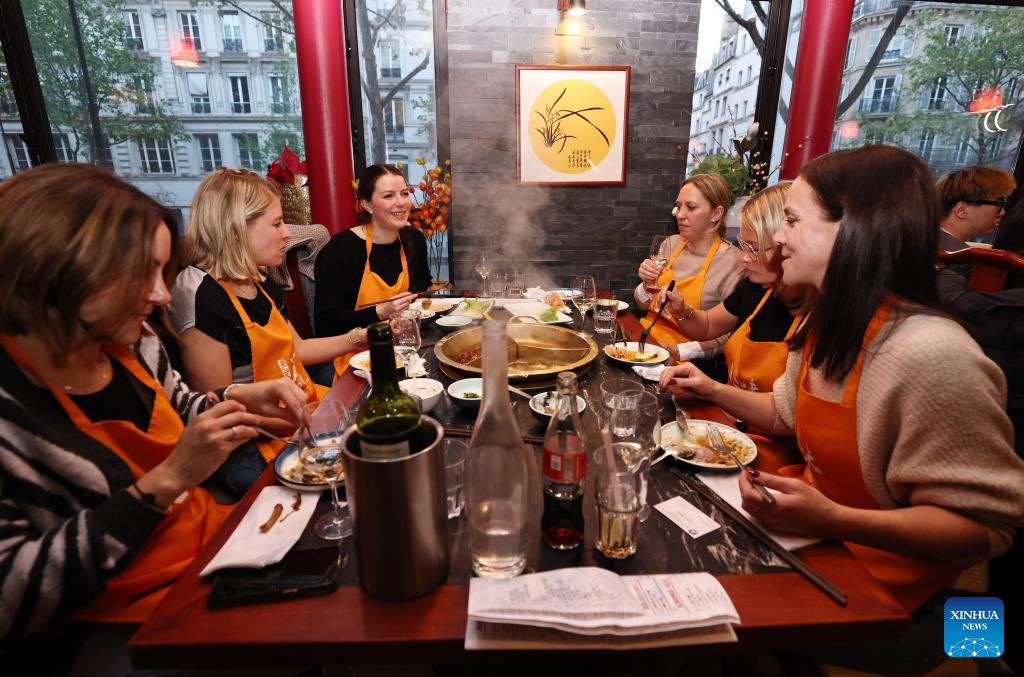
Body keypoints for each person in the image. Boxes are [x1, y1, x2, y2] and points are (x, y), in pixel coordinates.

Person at [659, 146, 1023, 668]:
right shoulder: (823, 323)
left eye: (791, 220)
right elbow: (785, 413)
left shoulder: (933, 354)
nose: (778, 239)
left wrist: (835, 518)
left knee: (692, 628)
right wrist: (712, 391)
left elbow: (986, 529)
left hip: (919, 604)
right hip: (822, 544)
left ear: (854, 230)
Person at [0, 164, 308, 639]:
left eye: (160, 272)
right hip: (118, 619)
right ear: (57, 276)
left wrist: (240, 399)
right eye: (138, 276)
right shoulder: (13, 407)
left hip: (200, 546)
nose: (162, 295)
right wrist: (166, 481)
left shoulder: (135, 342)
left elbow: (182, 409)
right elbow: (11, 598)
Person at [170, 168, 363, 489]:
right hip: (248, 445)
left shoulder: (258, 279)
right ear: (235, 230)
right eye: (276, 224)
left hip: (297, 412)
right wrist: (308, 425)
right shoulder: (200, 293)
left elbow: (299, 349)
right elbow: (219, 410)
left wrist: (360, 337)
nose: (287, 233)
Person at [657, 181, 804, 471]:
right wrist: (683, 310)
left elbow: (788, 414)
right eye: (743, 245)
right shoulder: (755, 286)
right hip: (730, 427)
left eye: (754, 248)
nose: (744, 257)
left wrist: (714, 389)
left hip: (776, 454)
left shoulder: (811, 313)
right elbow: (708, 325)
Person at [314, 163, 432, 375]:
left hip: (401, 347)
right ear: (367, 204)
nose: (401, 202)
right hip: (352, 357)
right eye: (388, 196)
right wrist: (380, 312)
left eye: (404, 193)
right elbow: (326, 323)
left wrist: (410, 302)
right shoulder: (341, 249)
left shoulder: (413, 239)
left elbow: (422, 284)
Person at [636, 173, 745, 351]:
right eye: (678, 206)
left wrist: (679, 352)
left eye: (691, 207)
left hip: (686, 357)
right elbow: (642, 305)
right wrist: (646, 285)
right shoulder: (670, 244)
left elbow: (728, 336)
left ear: (716, 214)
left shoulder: (734, 264)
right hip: (646, 338)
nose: (679, 215)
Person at [935, 165, 1015, 253]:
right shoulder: (961, 258)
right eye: (999, 204)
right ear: (962, 210)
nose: (1002, 212)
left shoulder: (930, 242)